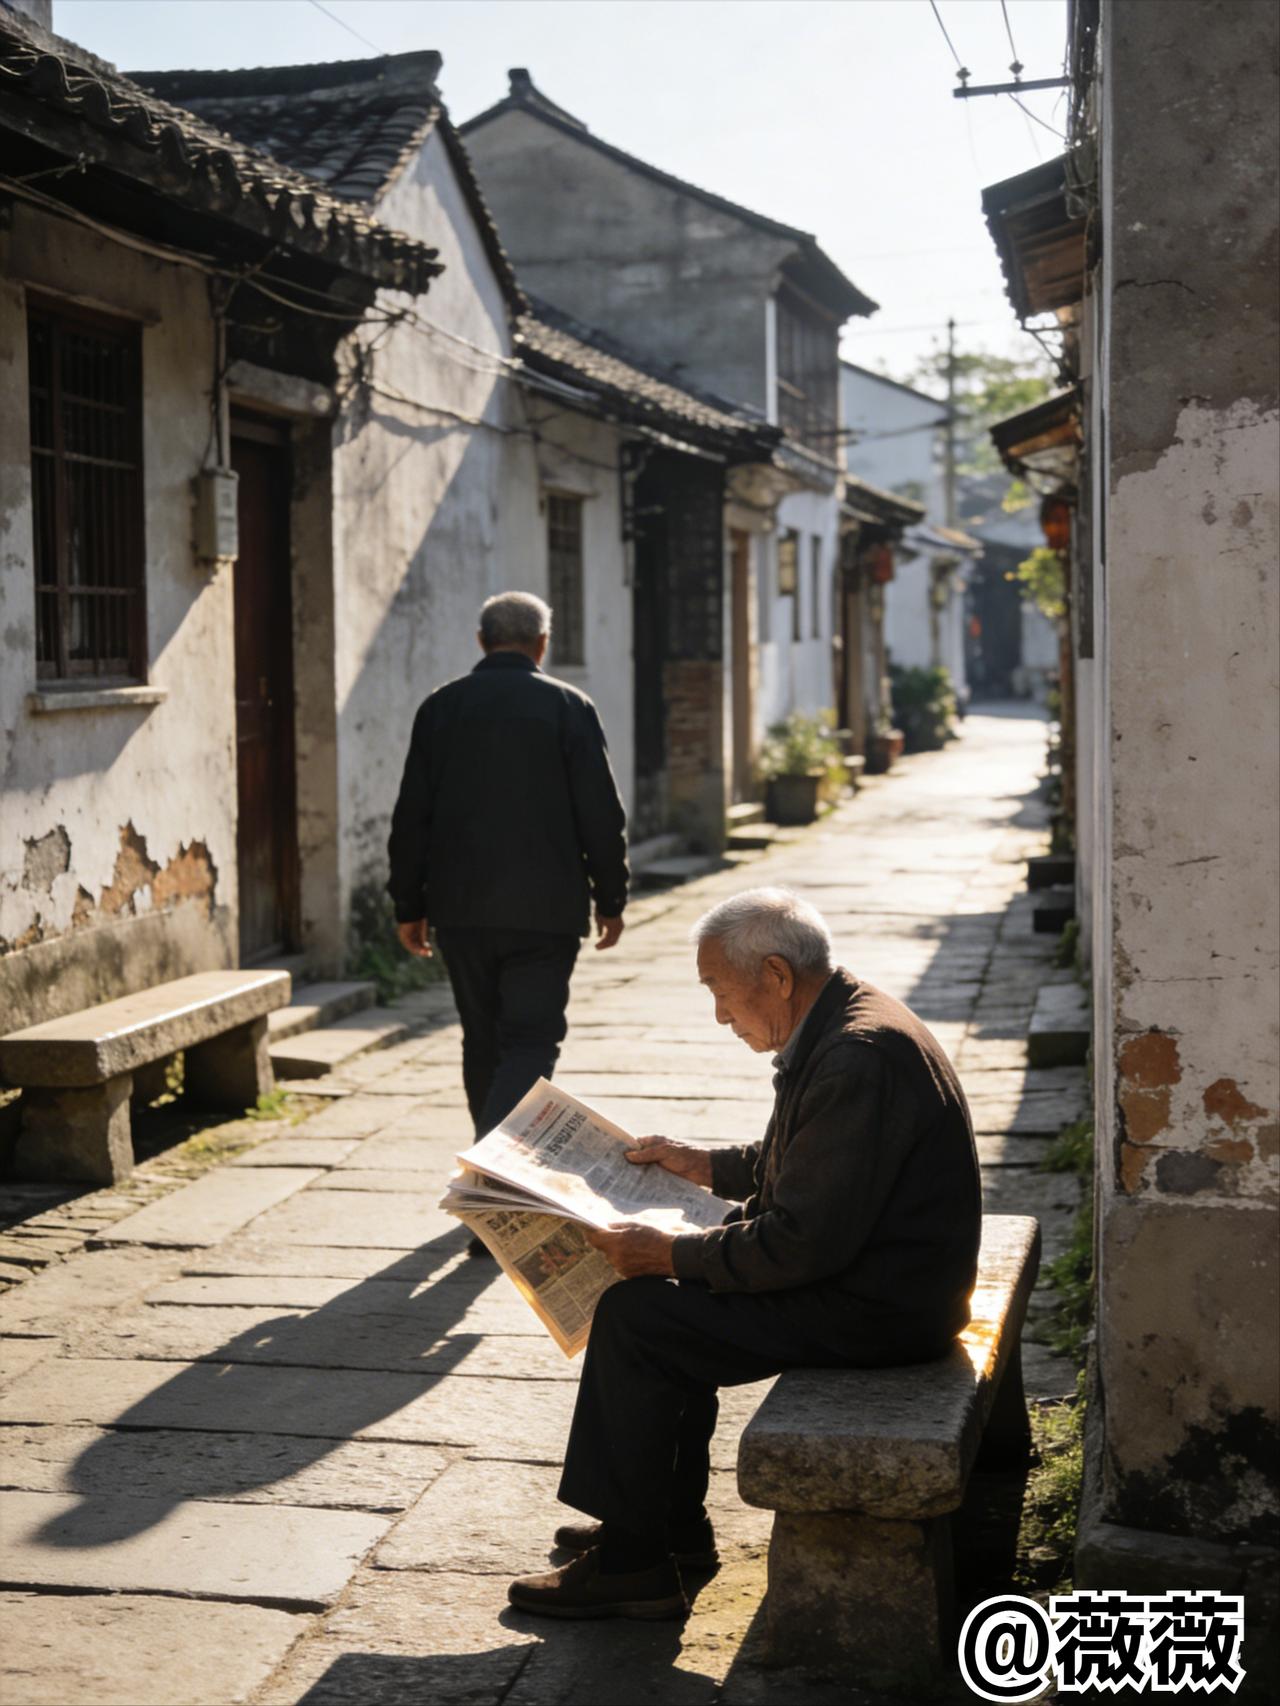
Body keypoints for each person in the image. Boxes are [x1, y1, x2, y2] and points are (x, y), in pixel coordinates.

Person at [507, 887, 982, 1621]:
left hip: (881, 1306)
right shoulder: (844, 1020)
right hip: (877, 1277)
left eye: (719, 991)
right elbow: (809, 1160)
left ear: (776, 975)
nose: (720, 1015)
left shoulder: (855, 1056)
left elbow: (800, 1241)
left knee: (641, 1319)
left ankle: (636, 1564)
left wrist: (670, 1253)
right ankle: (668, 1527)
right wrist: (705, 1165)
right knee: (669, 1308)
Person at [387, 591, 628, 1255]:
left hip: (462, 911)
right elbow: (600, 814)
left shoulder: (441, 708)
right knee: (530, 1041)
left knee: (485, 1042)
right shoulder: (568, 707)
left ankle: (493, 1187)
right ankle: (492, 1189)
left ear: (481, 639)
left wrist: (409, 904)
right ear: (542, 644)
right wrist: (611, 898)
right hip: (546, 913)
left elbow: (412, 816)